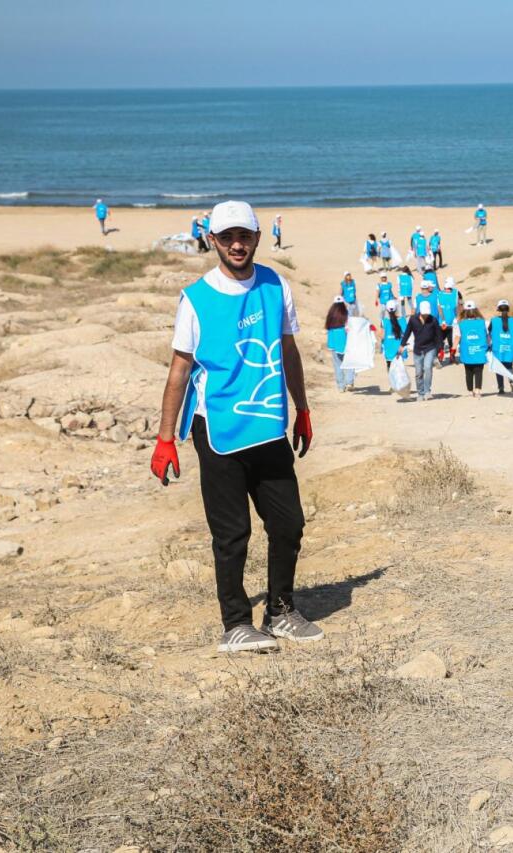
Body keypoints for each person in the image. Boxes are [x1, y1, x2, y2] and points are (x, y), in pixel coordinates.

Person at [150, 200, 319, 654]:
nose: (236, 244)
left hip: (267, 426)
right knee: (232, 533)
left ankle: (281, 611)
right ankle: (236, 624)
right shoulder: (196, 299)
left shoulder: (275, 285)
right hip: (219, 430)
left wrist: (301, 408)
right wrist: (166, 439)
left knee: (288, 524)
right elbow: (179, 371)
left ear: (258, 237)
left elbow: (287, 351)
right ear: (212, 241)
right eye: (226, 237)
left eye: (244, 235)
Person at [400, 302, 441, 401]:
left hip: (430, 348)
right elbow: (407, 332)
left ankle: (427, 392)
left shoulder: (433, 320)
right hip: (418, 349)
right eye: (424, 313)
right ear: (420, 311)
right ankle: (420, 393)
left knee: (427, 368)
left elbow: (438, 335)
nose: (426, 315)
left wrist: (439, 349)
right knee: (418, 372)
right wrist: (402, 345)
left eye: (427, 313)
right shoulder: (413, 319)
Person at [457, 301, 489, 397]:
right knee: (479, 370)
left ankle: (470, 391)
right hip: (480, 350)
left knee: (468, 371)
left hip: (467, 351)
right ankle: (478, 390)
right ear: (476, 311)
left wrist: (453, 349)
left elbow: (457, 337)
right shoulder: (483, 322)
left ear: (465, 312)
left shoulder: (461, 323)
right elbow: (487, 336)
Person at [490, 299, 513, 394]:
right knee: (509, 365)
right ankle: (511, 381)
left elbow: (489, 332)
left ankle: (501, 388)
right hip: (510, 348)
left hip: (498, 348)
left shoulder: (494, 321)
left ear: (498, 309)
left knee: (498, 367)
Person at [325, 297, 353, 392]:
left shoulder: (330, 316)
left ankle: (341, 386)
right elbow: (350, 326)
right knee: (350, 362)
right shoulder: (346, 314)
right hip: (346, 342)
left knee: (337, 365)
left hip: (334, 344)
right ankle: (349, 381)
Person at [436, 276, 461, 362]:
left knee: (451, 340)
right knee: (440, 340)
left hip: (451, 323)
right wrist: (443, 320)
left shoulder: (456, 293)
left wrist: (457, 317)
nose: (447, 289)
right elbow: (440, 309)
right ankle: (441, 354)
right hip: (442, 323)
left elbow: (458, 306)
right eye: (446, 288)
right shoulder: (440, 294)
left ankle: (452, 356)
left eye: (448, 288)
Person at [379, 299, 406, 375]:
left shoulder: (384, 321)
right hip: (399, 351)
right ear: (396, 308)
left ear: (387, 310)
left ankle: (393, 385)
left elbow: (382, 336)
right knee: (399, 370)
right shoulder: (403, 320)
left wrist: (374, 331)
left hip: (389, 351)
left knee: (390, 370)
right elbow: (406, 335)